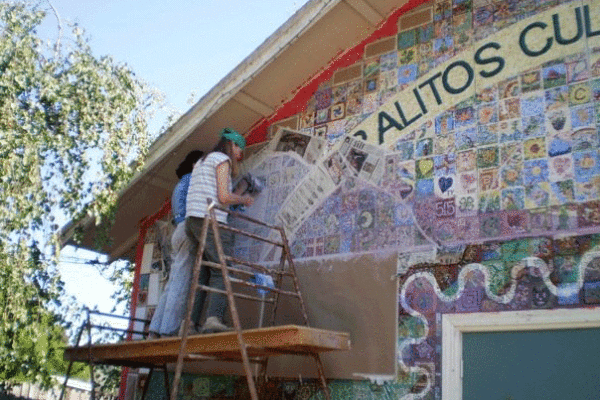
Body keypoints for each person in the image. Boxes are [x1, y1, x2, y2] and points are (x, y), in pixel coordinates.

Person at [185, 128, 254, 333]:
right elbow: (224, 198)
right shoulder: (222, 160)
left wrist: (238, 192)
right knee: (221, 269)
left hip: (193, 220)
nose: (240, 153)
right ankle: (213, 320)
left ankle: (188, 323)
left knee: (203, 272)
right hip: (210, 220)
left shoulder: (203, 161)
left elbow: (218, 194)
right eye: (239, 148)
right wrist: (245, 199)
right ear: (230, 145)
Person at [147, 150, 204, 338]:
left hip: (178, 230)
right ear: (196, 164)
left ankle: (155, 329)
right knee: (181, 282)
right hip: (188, 229)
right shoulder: (193, 181)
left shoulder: (180, 184)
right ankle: (168, 330)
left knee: (172, 282)